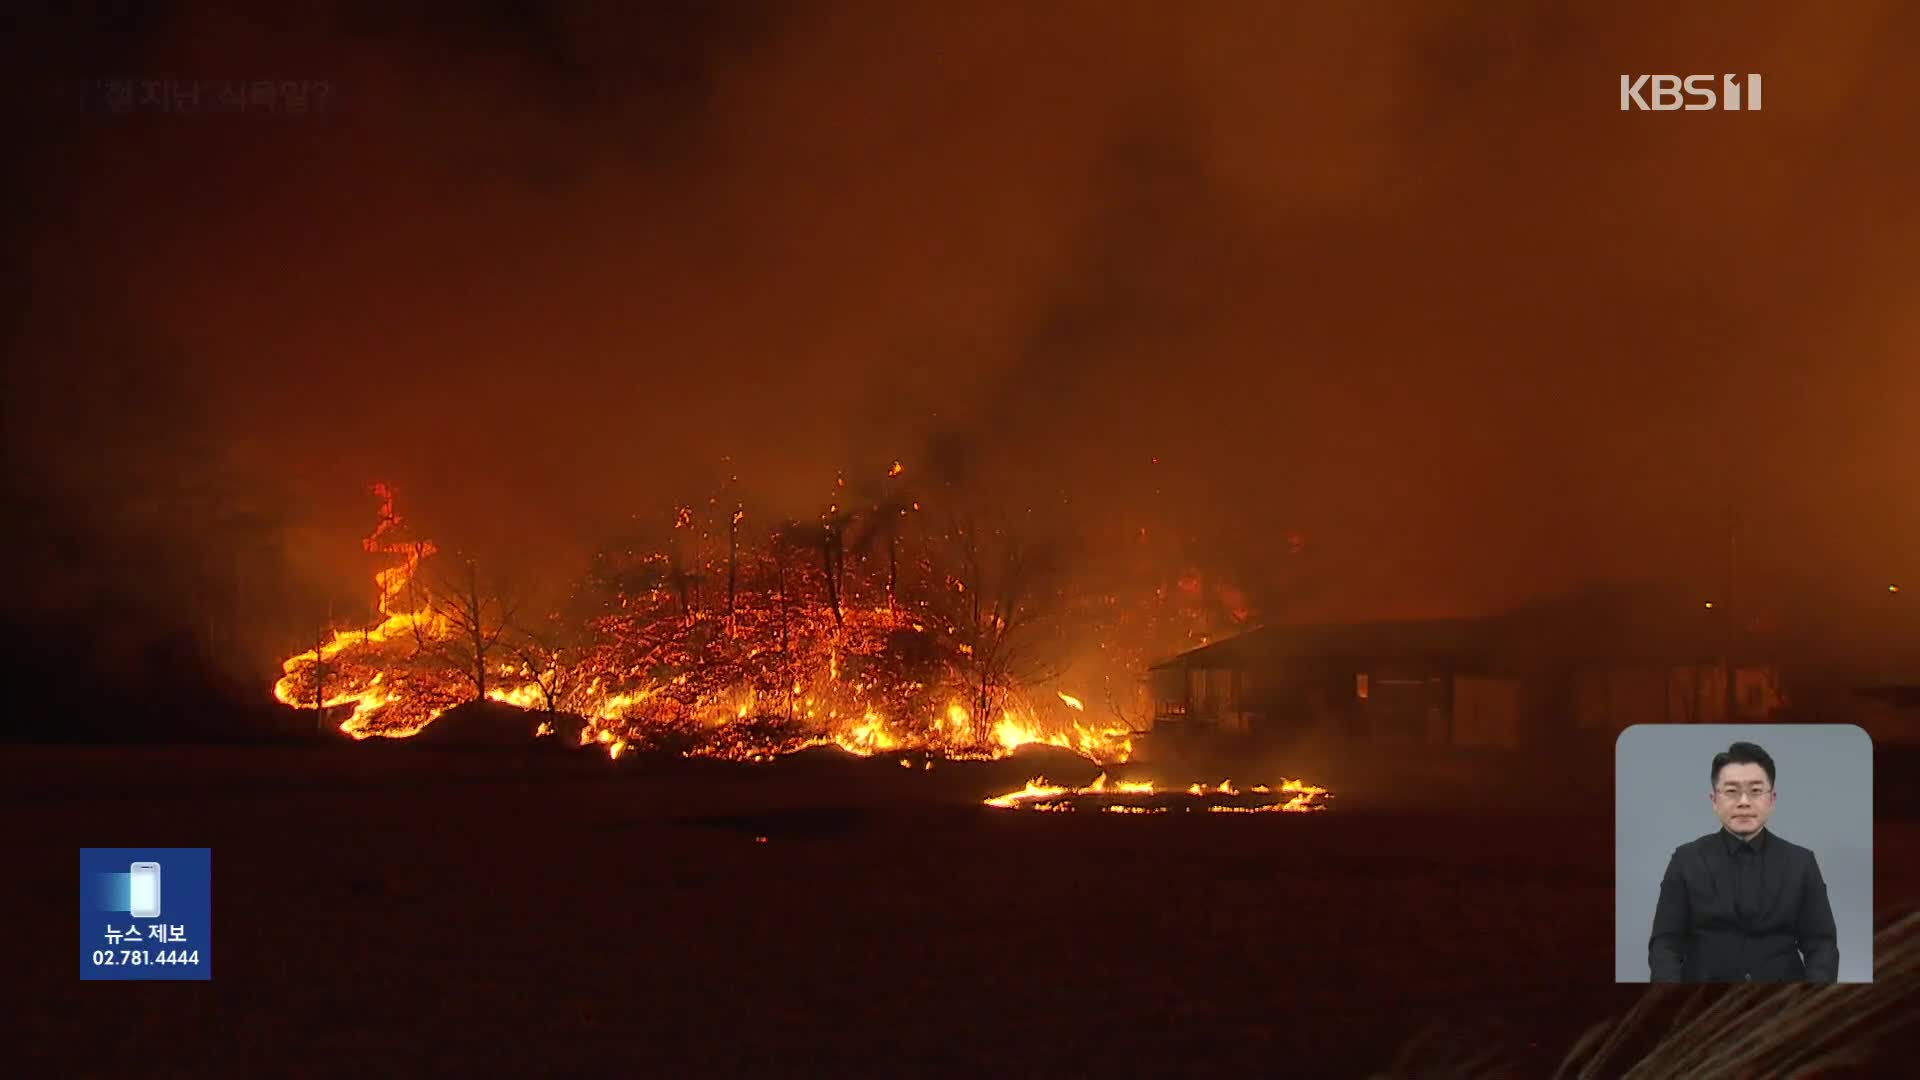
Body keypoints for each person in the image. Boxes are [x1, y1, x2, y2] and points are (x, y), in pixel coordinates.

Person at [1647, 740, 1839, 982]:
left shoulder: (1801, 862)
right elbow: (1665, 945)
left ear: (1772, 799)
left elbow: (1822, 945)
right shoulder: (1685, 860)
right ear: (1714, 801)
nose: (1744, 802)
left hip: (1784, 1002)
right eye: (1731, 791)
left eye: (1756, 791)